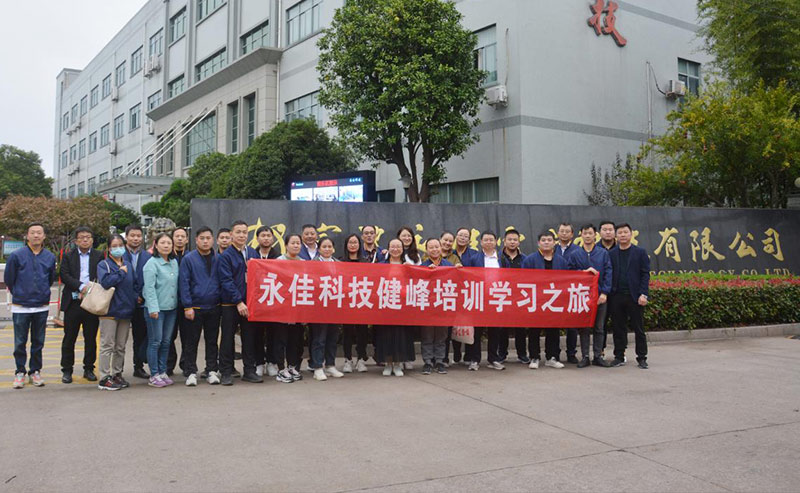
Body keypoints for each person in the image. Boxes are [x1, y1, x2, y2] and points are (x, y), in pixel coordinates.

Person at [5, 223, 57, 389]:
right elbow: (9, 279)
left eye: (39, 233)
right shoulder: (16, 255)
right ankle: (20, 372)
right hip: (21, 306)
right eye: (33, 233)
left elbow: (51, 278)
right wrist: (20, 293)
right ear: (27, 236)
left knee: (38, 342)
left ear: (44, 236)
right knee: (20, 342)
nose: (36, 235)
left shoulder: (49, 257)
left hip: (41, 306)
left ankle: (35, 371)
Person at [217, 220, 260, 385]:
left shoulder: (252, 253)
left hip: (250, 304)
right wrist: (238, 301)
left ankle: (249, 371)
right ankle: (226, 372)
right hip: (231, 304)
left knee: (249, 338)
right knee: (228, 339)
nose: (242, 235)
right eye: (238, 232)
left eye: (244, 232)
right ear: (231, 235)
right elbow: (226, 281)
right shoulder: (226, 256)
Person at [59, 226, 102, 383]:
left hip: (91, 302)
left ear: (92, 240)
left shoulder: (99, 255)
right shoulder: (68, 256)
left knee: (90, 338)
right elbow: (64, 275)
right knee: (69, 338)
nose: (85, 240)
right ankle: (67, 370)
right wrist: (80, 286)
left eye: (88, 237)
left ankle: (89, 368)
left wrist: (89, 288)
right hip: (73, 302)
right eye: (82, 237)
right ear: (76, 240)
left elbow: (101, 275)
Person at [179, 227, 222, 386]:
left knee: (212, 341)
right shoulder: (188, 259)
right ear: (196, 240)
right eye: (202, 238)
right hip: (195, 307)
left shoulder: (218, 258)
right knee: (191, 341)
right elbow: (184, 283)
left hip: (214, 306)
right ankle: (191, 372)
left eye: (208, 238)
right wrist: (187, 306)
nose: (205, 241)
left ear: (213, 240)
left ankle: (211, 370)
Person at [567, 224, 612, 368]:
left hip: (599, 296)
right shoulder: (575, 254)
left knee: (599, 327)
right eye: (585, 233)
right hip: (582, 296)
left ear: (595, 235)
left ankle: (598, 356)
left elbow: (608, 273)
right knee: (584, 328)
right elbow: (569, 273)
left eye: (590, 233)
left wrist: (604, 293)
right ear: (581, 235)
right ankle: (585, 356)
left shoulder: (602, 253)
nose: (587, 236)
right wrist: (583, 272)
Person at [520, 232, 567, 370]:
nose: (546, 242)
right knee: (534, 329)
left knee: (553, 330)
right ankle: (534, 357)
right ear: (538, 243)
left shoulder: (561, 261)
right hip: (536, 300)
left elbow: (567, 280)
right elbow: (523, 279)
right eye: (543, 240)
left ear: (554, 242)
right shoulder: (530, 260)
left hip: (554, 300)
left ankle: (552, 357)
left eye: (549, 240)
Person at [96, 234, 136, 391]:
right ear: (108, 248)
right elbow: (105, 283)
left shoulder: (128, 264)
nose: (118, 248)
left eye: (120, 245)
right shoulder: (104, 265)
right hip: (109, 311)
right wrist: (120, 273)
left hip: (126, 310)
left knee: (120, 346)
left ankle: (117, 373)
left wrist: (135, 297)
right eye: (114, 246)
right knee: (107, 345)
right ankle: (104, 377)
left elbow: (134, 283)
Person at [609, 223, 651, 369]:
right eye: (620, 232)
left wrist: (643, 294)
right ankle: (619, 356)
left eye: (625, 232)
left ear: (631, 234)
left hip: (635, 296)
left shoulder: (640, 252)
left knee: (639, 328)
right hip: (616, 296)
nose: (622, 235)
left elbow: (645, 274)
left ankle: (642, 358)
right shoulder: (611, 253)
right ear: (616, 236)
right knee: (618, 328)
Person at [462, 231, 504, 371]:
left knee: (495, 330)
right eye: (486, 240)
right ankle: (475, 359)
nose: (488, 242)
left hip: (497, 297)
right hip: (479, 297)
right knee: (477, 330)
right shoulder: (474, 259)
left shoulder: (501, 259)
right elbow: (467, 276)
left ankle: (493, 359)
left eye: (491, 239)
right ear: (481, 242)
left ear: (496, 242)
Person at [142, 233, 180, 388]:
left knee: (166, 342)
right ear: (156, 245)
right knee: (155, 342)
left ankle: (163, 371)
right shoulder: (151, 264)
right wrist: (153, 308)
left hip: (171, 308)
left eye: (169, 243)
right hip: (156, 310)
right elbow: (149, 289)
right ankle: (154, 374)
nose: (166, 246)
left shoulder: (174, 262)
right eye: (162, 243)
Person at [376, 239, 413, 377]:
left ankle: (397, 364)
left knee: (400, 335)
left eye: (398, 246)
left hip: (402, 306)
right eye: (392, 246)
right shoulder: (381, 265)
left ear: (403, 249)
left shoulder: (407, 265)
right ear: (388, 248)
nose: (395, 249)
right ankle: (388, 363)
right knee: (386, 335)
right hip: (386, 305)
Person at [309, 238, 344, 381]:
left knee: (332, 337)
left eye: (330, 246)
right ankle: (317, 367)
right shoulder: (312, 264)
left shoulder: (340, 264)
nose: (327, 249)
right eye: (324, 246)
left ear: (333, 249)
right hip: (319, 307)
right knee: (319, 338)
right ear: (319, 249)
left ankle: (330, 365)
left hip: (335, 306)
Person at [273, 234, 305, 383]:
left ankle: (292, 366)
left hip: (297, 308)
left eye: (298, 243)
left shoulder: (304, 263)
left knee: (295, 339)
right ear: (286, 245)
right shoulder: (279, 261)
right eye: (293, 243)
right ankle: (280, 369)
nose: (296, 245)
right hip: (282, 307)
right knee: (281, 338)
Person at [420, 238, 452, 375]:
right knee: (427, 335)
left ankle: (440, 361)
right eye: (431, 247)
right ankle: (427, 362)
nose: (434, 250)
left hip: (443, 305)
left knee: (441, 336)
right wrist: (427, 273)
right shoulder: (422, 266)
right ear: (426, 250)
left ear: (441, 248)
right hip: (427, 306)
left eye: (436, 247)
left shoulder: (448, 265)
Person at [123, 224, 152, 379]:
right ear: (126, 237)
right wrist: (134, 295)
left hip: (142, 302)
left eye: (138, 236)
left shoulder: (148, 256)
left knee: (140, 336)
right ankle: (117, 370)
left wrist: (141, 294)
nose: (135, 238)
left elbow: (149, 279)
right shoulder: (119, 255)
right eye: (132, 235)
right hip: (124, 301)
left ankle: (138, 366)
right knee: (119, 339)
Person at [339, 234, 369, 373]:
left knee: (362, 332)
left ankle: (361, 359)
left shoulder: (365, 262)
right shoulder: (341, 261)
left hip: (362, 301)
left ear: (359, 244)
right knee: (347, 332)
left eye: (355, 242)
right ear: (346, 245)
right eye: (350, 242)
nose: (353, 245)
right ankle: (348, 359)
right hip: (346, 302)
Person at [498, 229, 527, 364]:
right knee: (502, 327)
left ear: (519, 242)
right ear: (504, 241)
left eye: (515, 240)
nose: (512, 242)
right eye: (509, 239)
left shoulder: (525, 259)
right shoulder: (498, 258)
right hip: (502, 295)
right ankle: (502, 354)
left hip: (519, 296)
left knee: (521, 327)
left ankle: (522, 354)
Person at [254, 226, 280, 378]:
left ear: (273, 238)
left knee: (273, 333)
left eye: (268, 236)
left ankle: (271, 362)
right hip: (257, 301)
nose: (266, 238)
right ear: (257, 238)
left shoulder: (278, 257)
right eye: (263, 235)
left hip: (273, 300)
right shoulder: (252, 255)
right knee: (257, 333)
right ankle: (259, 363)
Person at [555, 223, 580, 364]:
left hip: (571, 291)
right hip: (555, 292)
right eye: (562, 231)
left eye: (567, 231)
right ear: (558, 233)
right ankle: (555, 353)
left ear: (572, 234)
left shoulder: (578, 250)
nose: (564, 233)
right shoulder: (552, 249)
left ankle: (571, 353)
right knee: (555, 324)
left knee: (572, 325)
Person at [397, 226, 421, 369]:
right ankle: (398, 357)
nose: (406, 238)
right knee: (398, 330)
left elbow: (420, 274)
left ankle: (408, 358)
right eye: (403, 236)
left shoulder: (416, 256)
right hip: (396, 296)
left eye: (409, 236)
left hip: (410, 296)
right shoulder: (392, 252)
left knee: (408, 329)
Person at [167, 227, 189, 376]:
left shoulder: (191, 256)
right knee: (169, 336)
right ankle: (169, 364)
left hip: (186, 303)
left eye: (182, 236)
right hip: (170, 302)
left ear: (187, 239)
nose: (180, 239)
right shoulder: (167, 257)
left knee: (187, 336)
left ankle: (186, 364)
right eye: (177, 236)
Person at [439, 230, 462, 366]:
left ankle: (446, 358)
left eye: (450, 241)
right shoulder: (428, 255)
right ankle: (436, 358)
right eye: (445, 240)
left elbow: (460, 275)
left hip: (449, 296)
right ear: (440, 240)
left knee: (447, 330)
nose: (447, 243)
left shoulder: (454, 258)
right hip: (433, 297)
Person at [598, 220, 617, 354]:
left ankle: (620, 352)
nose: (608, 232)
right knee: (601, 324)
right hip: (601, 293)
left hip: (617, 292)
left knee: (618, 323)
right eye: (605, 230)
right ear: (599, 232)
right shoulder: (595, 250)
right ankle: (601, 351)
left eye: (610, 230)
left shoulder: (621, 248)